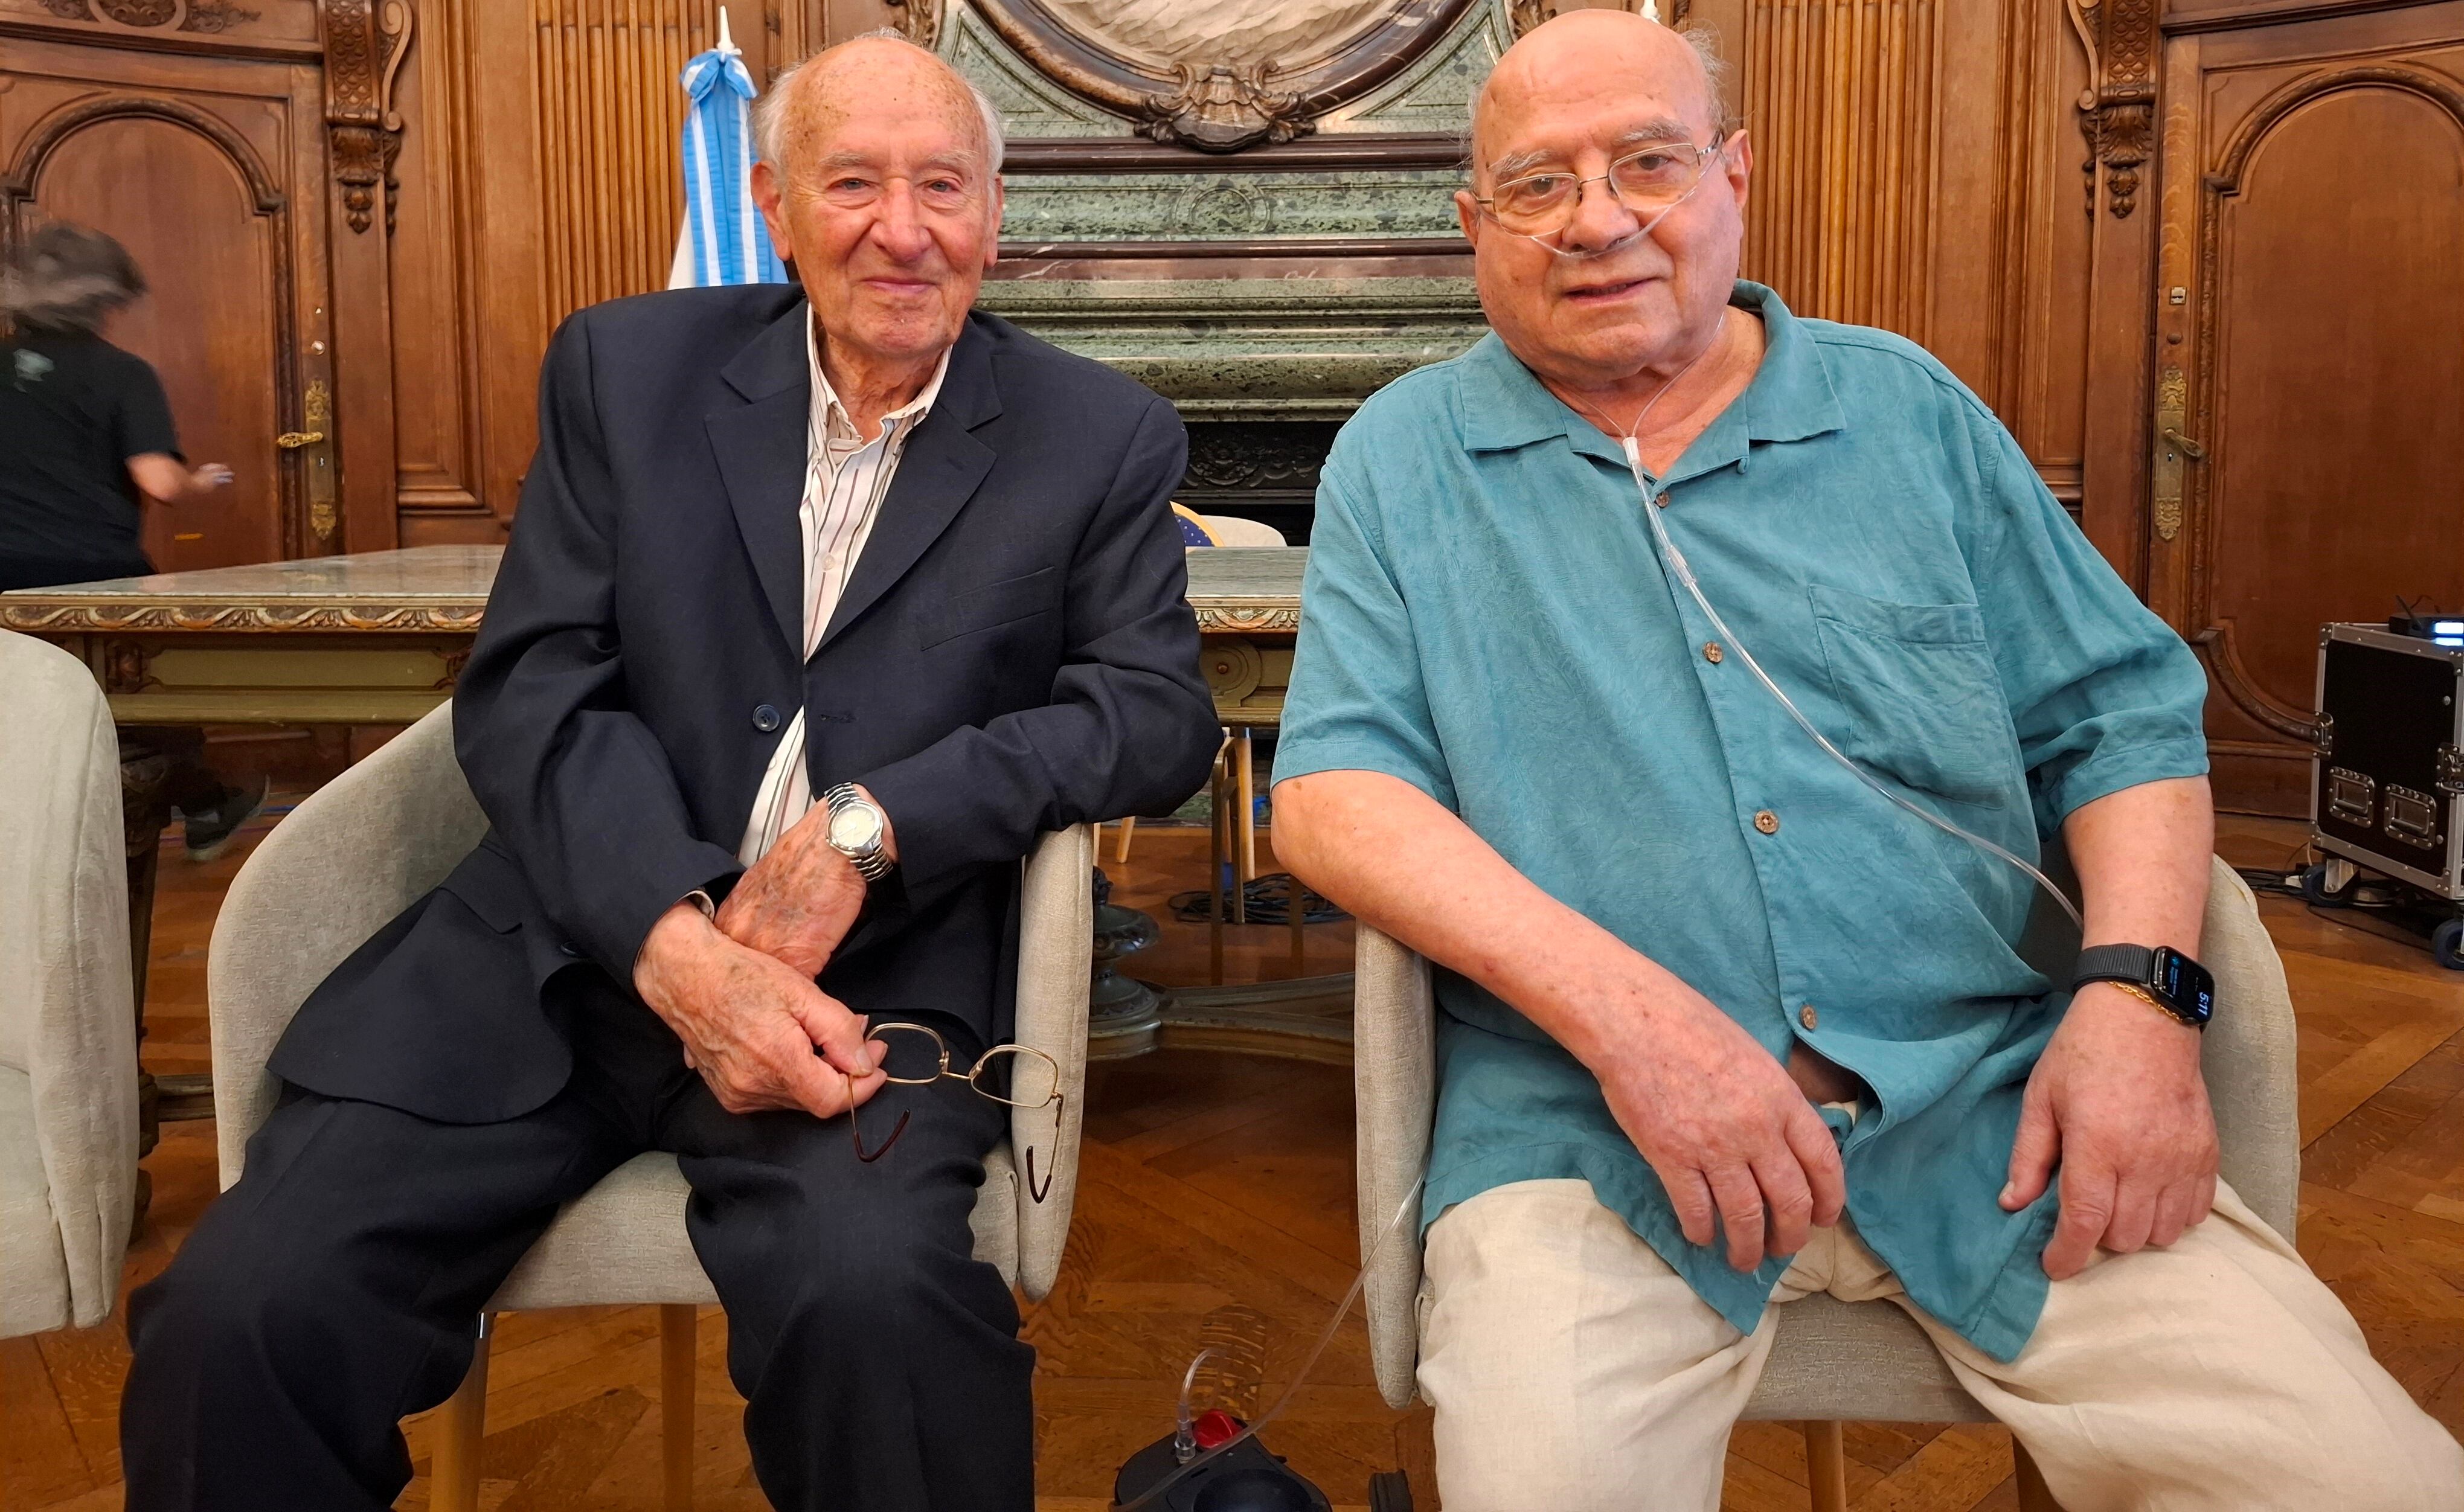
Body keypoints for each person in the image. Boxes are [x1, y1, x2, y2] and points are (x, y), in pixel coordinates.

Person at [1268, 12, 2464, 1511]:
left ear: (1731, 175)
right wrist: (1638, 1024)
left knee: (2372, 1480)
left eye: (1645, 160)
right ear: (1473, 227)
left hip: (1997, 1121)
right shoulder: (1402, 456)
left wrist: (2140, 997)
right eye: (1534, 184)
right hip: (1591, 1146)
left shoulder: (1903, 410)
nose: (1596, 220)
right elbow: (1329, 790)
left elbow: (2119, 716)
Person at [118, 34, 1221, 1512]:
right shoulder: (626, 370)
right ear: (769, 202)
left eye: (942, 186)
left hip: (866, 995)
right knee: (242, 1315)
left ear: (992, 214)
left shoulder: (1097, 434)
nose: (904, 229)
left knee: (881, 1318)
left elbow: (1152, 715)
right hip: (554, 958)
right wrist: (675, 942)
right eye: (853, 183)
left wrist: (869, 822)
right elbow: (532, 686)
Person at [0, 223, 261, 860]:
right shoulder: (122, 373)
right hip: (93, 571)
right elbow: (159, 482)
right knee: (148, 693)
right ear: (103, 302)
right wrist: (201, 480)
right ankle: (206, 807)